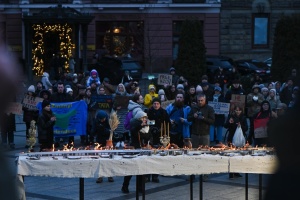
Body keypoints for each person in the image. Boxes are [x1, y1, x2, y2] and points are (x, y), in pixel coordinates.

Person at [121, 110, 152, 194]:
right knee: (130, 169)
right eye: (143, 118)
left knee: (141, 169)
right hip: (134, 148)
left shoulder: (147, 127)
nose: (144, 119)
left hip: (143, 149)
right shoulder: (134, 124)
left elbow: (148, 136)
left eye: (145, 118)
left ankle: (140, 188)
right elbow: (134, 131)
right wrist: (140, 126)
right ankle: (125, 186)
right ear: (139, 118)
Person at [147, 97, 170, 183]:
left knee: (157, 156)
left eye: (157, 104)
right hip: (151, 135)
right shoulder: (149, 111)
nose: (156, 105)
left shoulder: (163, 112)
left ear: (160, 104)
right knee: (149, 155)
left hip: (160, 135)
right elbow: (147, 121)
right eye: (154, 104)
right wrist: (152, 127)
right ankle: (147, 175)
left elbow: (167, 123)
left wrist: (162, 130)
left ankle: (155, 175)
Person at [223, 104, 248, 179]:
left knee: (238, 155)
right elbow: (225, 125)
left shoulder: (243, 117)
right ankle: (231, 172)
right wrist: (229, 123)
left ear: (241, 110)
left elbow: (246, 128)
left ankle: (236, 171)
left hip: (239, 139)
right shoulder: (231, 116)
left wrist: (241, 126)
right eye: (236, 110)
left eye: (239, 110)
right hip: (231, 137)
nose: (238, 112)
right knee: (231, 155)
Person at [91, 110, 114, 183]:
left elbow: (111, 131)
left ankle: (109, 175)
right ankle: (100, 176)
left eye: (104, 119)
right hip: (99, 141)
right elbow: (93, 131)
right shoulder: (96, 122)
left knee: (108, 159)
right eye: (101, 119)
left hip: (108, 141)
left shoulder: (108, 121)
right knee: (100, 159)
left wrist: (105, 130)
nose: (103, 120)